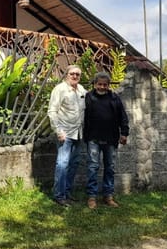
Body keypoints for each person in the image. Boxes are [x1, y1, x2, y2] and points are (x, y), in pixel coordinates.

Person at [84, 71, 129, 209]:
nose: (102, 87)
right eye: (99, 84)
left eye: (105, 85)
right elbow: (82, 116)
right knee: (93, 167)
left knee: (110, 167)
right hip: (93, 138)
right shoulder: (88, 97)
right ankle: (92, 197)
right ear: (95, 84)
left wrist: (124, 133)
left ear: (109, 85)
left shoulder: (115, 98)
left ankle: (108, 196)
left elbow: (123, 116)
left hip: (111, 138)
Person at [47, 65, 86, 206]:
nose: (75, 76)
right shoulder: (59, 89)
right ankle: (59, 195)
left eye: (77, 74)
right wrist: (58, 130)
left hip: (78, 133)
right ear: (66, 75)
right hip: (65, 133)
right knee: (62, 164)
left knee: (74, 164)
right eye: (72, 74)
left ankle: (67, 192)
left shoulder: (81, 89)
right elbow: (52, 111)